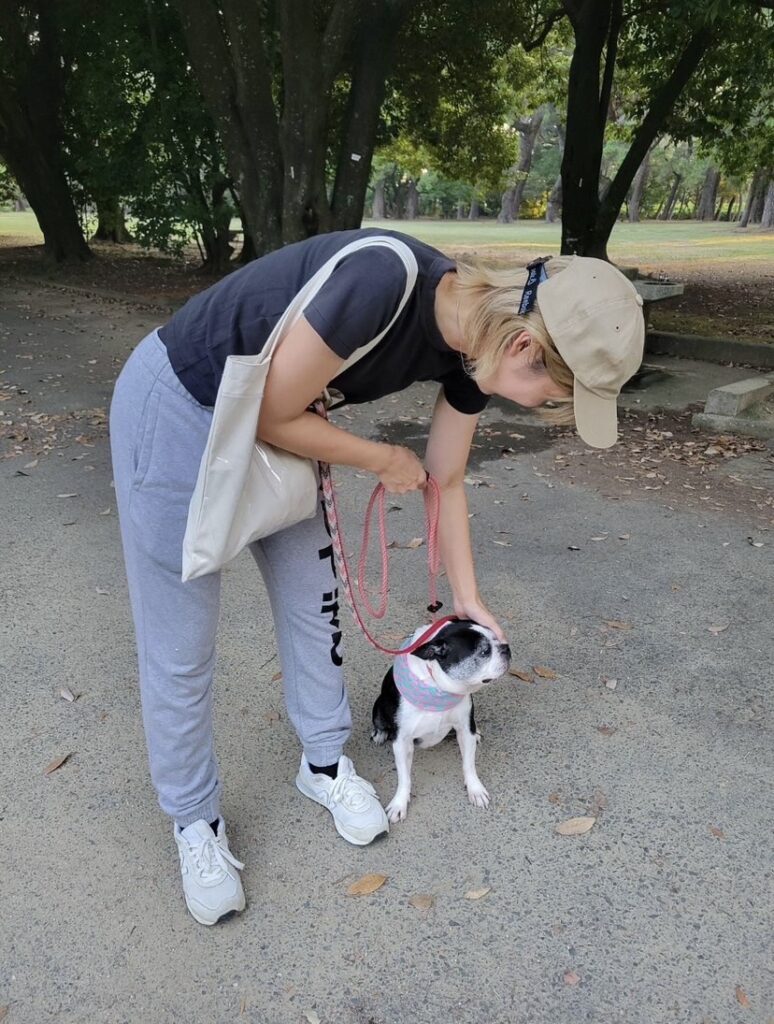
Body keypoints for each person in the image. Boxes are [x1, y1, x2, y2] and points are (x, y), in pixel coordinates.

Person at [109, 227, 644, 925]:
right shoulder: (379, 281)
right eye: (549, 394)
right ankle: (194, 818)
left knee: (314, 605)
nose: (537, 407)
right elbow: (270, 411)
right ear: (522, 347)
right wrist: (380, 458)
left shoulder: (475, 351)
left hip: (283, 413)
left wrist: (469, 598)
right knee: (181, 643)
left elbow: (446, 477)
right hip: (184, 402)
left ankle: (323, 764)